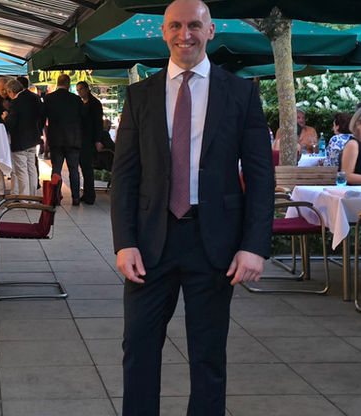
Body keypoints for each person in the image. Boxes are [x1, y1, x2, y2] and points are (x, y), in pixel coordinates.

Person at [111, 1, 273, 414]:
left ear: (211, 30)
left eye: (195, 25)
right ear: (163, 32)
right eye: (177, 26)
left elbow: (259, 177)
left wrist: (254, 245)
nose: (186, 34)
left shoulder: (240, 92)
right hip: (150, 243)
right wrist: (124, 242)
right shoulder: (139, 96)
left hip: (214, 243)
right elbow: (125, 177)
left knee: (208, 356)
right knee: (139, 349)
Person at [43, 74, 84, 205]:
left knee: (56, 169)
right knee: (74, 170)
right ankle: (76, 198)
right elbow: (82, 118)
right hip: (73, 139)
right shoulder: (76, 99)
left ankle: (55, 198)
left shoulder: (49, 98)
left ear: (57, 83)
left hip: (56, 139)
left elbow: (44, 118)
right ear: (68, 84)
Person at [3, 79, 44, 196]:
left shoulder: (16, 102)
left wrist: (5, 117)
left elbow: (11, 124)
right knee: (31, 168)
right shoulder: (34, 97)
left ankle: (24, 199)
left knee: (21, 170)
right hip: (33, 138)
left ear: (11, 91)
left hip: (20, 140)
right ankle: (32, 196)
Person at [77, 81, 103, 205]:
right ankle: (87, 193)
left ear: (87, 89)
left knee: (87, 167)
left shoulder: (94, 104)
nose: (79, 92)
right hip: (83, 138)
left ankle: (90, 195)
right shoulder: (83, 103)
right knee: (84, 167)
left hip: (90, 139)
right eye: (78, 90)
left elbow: (98, 123)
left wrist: (98, 140)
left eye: (81, 89)